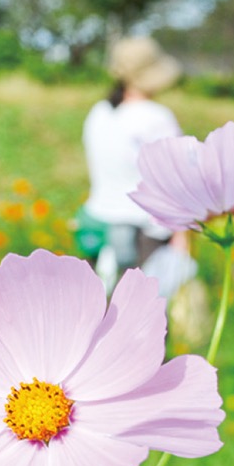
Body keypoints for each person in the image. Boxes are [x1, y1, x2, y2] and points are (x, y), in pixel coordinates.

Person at [81, 36, 189, 293]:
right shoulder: (157, 118)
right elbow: (177, 178)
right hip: (144, 231)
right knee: (144, 317)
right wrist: (182, 234)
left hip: (97, 223)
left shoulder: (100, 112)